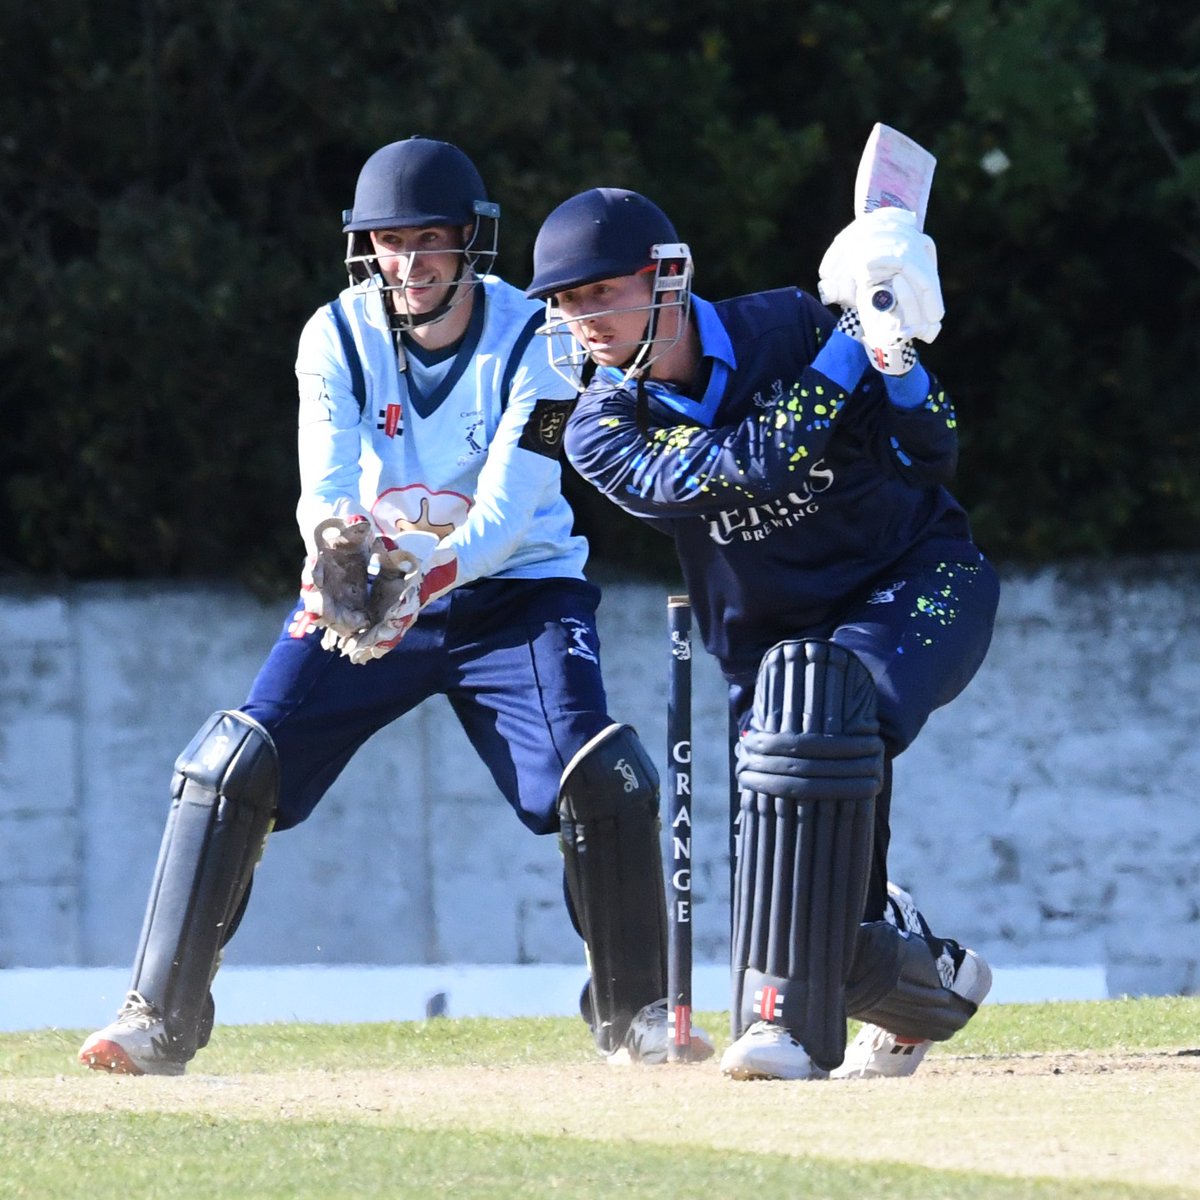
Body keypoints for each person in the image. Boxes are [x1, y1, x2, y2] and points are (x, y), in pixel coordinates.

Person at [79, 139, 712, 1076]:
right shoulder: (330, 336)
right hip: (371, 591)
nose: (408, 265)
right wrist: (338, 553)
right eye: (387, 242)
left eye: (427, 241)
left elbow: (509, 509)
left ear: (468, 244)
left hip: (514, 594)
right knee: (230, 764)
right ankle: (155, 1018)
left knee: (600, 770)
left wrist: (434, 573)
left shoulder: (541, 341)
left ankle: (641, 1019)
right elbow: (324, 481)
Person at [525, 185, 999, 1081]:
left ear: (665, 277)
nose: (581, 319)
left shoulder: (786, 325)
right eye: (566, 302)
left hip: (919, 586)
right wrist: (846, 354)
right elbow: (750, 466)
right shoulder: (599, 427)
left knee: (821, 714)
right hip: (772, 664)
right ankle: (930, 980)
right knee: (810, 922)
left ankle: (780, 1033)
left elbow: (931, 450)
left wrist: (896, 355)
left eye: (599, 292)